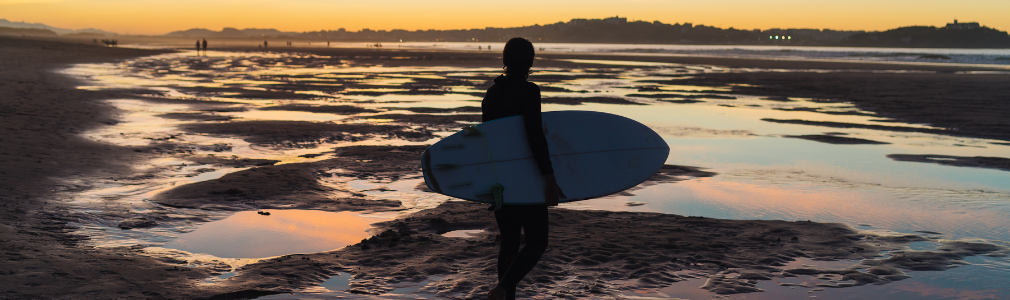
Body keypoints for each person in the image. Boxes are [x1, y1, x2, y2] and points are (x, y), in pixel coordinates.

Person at [483, 37, 564, 300]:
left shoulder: (491, 94)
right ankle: (504, 288)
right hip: (526, 179)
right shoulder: (529, 91)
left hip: (500, 179)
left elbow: (487, 141)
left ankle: (505, 294)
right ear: (530, 62)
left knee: (509, 242)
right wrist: (549, 178)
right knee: (538, 242)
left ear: (504, 60)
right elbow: (534, 136)